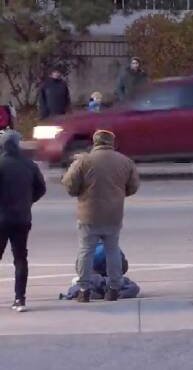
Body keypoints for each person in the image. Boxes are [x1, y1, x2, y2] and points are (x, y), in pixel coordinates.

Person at [62, 130, 140, 303]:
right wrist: (118, 194)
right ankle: (114, 289)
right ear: (112, 142)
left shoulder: (84, 161)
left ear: (95, 142)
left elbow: (69, 185)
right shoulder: (124, 161)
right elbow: (133, 186)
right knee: (112, 250)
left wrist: (80, 191)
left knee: (86, 251)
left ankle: (84, 290)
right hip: (113, 214)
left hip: (88, 214)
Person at [0, 131, 47, 312]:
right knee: (20, 257)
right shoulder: (29, 165)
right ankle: (19, 298)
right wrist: (28, 201)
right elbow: (41, 188)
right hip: (22, 217)